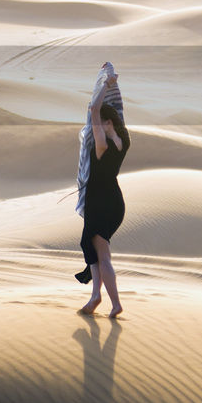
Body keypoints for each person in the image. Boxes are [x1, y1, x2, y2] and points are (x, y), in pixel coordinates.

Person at [76, 65, 130, 317]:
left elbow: (93, 109)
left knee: (103, 255)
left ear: (106, 122)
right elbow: (109, 113)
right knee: (95, 249)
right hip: (114, 201)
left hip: (99, 201)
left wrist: (105, 86)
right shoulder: (123, 140)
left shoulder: (101, 145)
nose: (94, 124)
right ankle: (95, 295)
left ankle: (114, 302)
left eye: (99, 122)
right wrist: (111, 87)